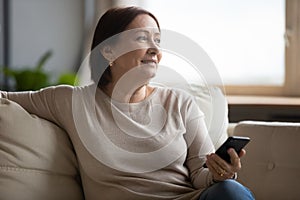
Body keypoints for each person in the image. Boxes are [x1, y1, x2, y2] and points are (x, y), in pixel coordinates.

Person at [0, 6, 254, 200]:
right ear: (108, 51)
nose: (155, 49)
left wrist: (221, 173)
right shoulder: (72, 101)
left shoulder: (179, 103)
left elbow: (201, 175)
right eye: (143, 39)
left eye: (158, 40)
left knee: (230, 190)